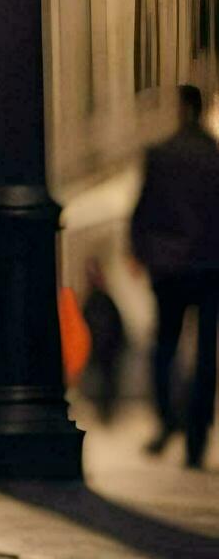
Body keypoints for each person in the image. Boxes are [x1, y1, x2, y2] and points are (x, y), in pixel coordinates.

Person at [131, 83, 219, 468]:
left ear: (181, 108)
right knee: (205, 354)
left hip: (169, 267)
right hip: (210, 266)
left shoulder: (160, 155)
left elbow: (144, 210)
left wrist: (142, 252)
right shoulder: (215, 156)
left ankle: (168, 419)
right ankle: (197, 437)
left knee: (164, 346)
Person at [81, 258, 127, 424]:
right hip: (102, 348)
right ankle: (104, 411)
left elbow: (117, 325)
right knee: (104, 382)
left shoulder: (103, 300)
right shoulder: (95, 300)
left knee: (107, 381)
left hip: (108, 349)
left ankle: (106, 411)